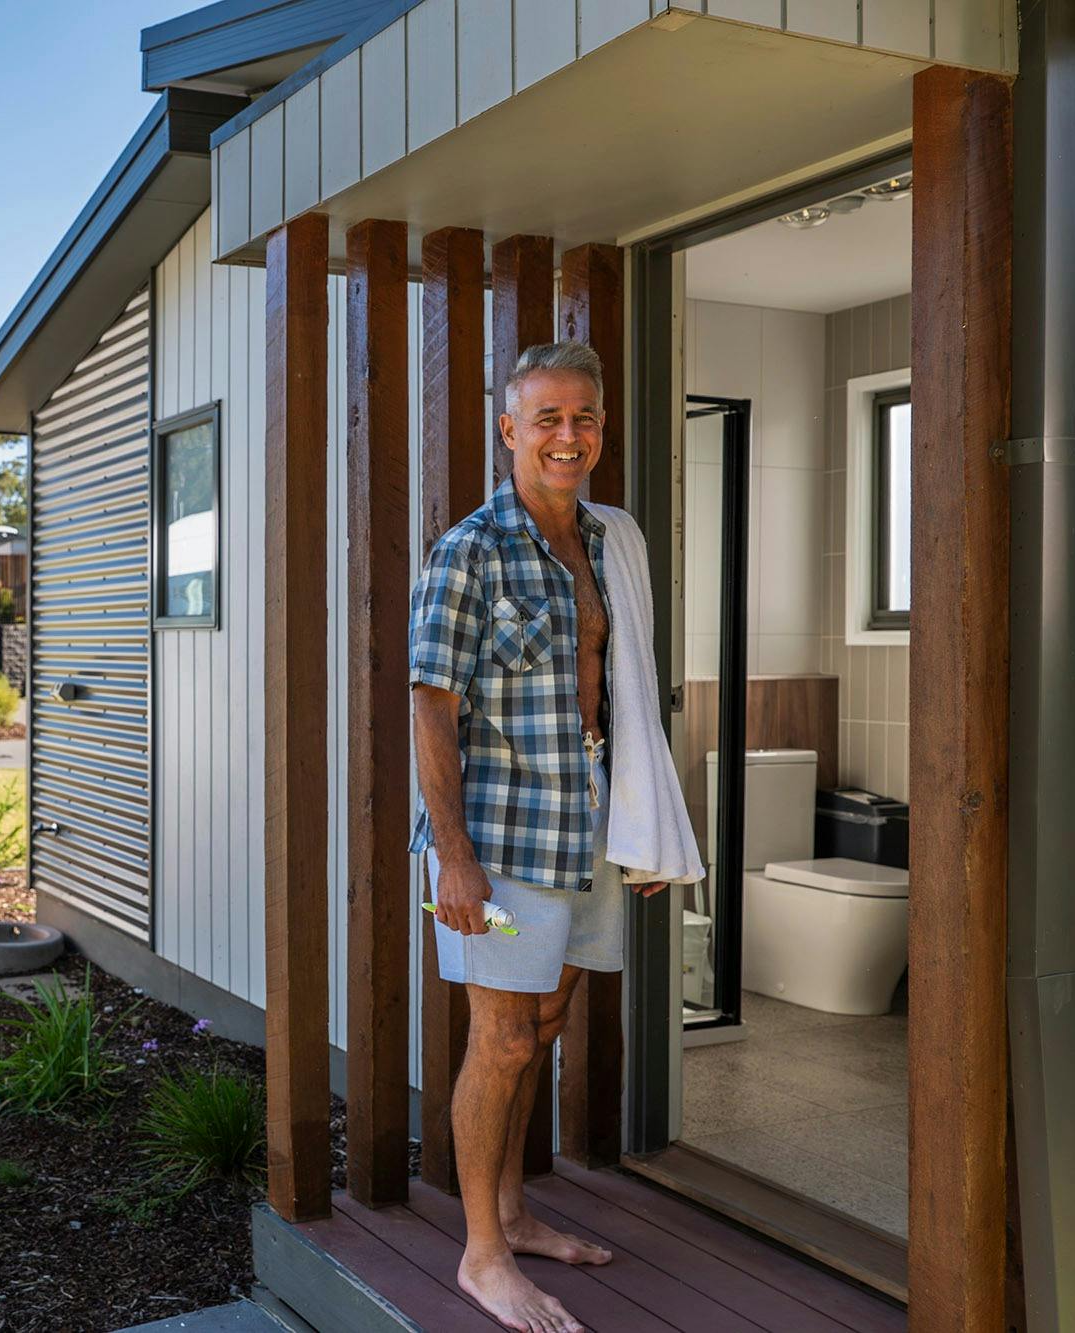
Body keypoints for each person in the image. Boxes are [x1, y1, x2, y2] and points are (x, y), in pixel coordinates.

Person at [409, 340, 674, 1333]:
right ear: (509, 429)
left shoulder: (610, 540)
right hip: (502, 839)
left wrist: (651, 828)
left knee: (548, 1024)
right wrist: (454, 857)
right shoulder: (470, 549)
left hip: (591, 822)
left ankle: (514, 1214)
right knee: (504, 1037)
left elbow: (632, 691)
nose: (569, 435)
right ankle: (481, 1255)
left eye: (584, 417)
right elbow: (430, 705)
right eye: (548, 418)